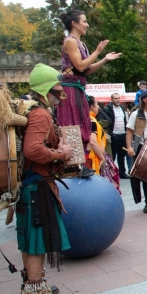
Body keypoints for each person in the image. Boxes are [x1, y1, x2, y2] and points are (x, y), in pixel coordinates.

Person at [16, 64, 75, 294]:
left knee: (32, 243)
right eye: (56, 90)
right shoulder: (40, 114)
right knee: (37, 244)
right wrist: (60, 153)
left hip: (33, 186)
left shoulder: (36, 110)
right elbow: (33, 151)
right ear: (45, 89)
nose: (59, 96)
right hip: (37, 187)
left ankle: (35, 290)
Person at [56, 10, 122, 172]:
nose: (87, 24)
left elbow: (86, 69)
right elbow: (79, 65)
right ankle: (73, 164)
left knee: (82, 125)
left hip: (78, 89)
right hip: (70, 90)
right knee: (71, 125)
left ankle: (81, 163)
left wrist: (104, 59)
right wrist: (98, 52)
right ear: (74, 23)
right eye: (84, 21)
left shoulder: (82, 44)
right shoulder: (70, 41)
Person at [102, 93, 130, 178]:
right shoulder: (107, 109)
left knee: (122, 155)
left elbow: (125, 120)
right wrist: (110, 133)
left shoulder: (122, 108)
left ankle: (122, 173)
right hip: (114, 135)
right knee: (112, 156)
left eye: (118, 98)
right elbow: (106, 122)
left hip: (122, 134)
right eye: (115, 98)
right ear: (111, 99)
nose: (117, 100)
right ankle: (110, 173)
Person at [87, 96, 106, 173]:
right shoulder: (91, 121)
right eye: (97, 104)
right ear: (92, 107)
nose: (98, 106)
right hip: (91, 156)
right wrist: (102, 157)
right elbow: (93, 142)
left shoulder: (84, 118)